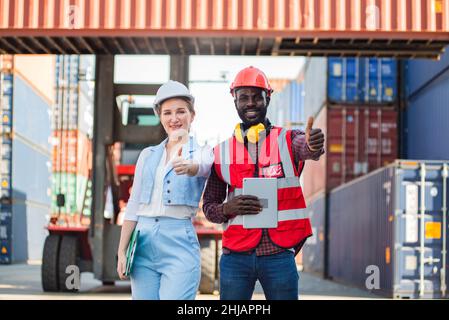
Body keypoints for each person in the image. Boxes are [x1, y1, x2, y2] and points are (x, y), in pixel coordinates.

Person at [202, 66, 325, 300]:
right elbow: (209, 206)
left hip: (279, 255)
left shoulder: (287, 140)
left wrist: (313, 144)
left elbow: (306, 147)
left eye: (257, 97)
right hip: (235, 256)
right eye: (244, 97)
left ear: (267, 98)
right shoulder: (221, 153)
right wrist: (227, 209)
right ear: (235, 101)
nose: (250, 103)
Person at [117, 80, 214, 300]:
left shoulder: (202, 152)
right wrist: (122, 251)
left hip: (179, 241)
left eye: (181, 111)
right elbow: (134, 206)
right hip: (142, 241)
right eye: (167, 113)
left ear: (192, 115)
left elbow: (205, 167)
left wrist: (191, 168)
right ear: (160, 117)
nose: (174, 118)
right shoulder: (147, 155)